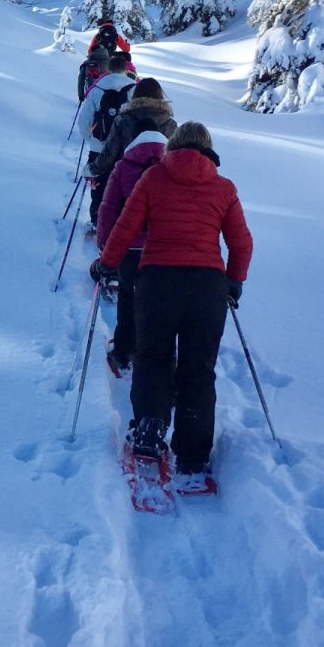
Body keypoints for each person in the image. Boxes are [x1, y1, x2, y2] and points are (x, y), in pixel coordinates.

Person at [94, 121, 253, 478]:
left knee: (153, 357)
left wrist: (107, 262)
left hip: (158, 282)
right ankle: (193, 453)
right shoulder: (224, 188)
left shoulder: (153, 179)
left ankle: (149, 431)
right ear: (209, 151)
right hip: (207, 287)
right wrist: (234, 281)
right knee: (198, 369)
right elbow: (241, 243)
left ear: (173, 146)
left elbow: (126, 226)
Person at [95, 120, 169, 374]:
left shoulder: (123, 166)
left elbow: (108, 209)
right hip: (161, 249)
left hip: (129, 248)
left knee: (128, 297)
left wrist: (105, 248)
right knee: (157, 301)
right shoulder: (171, 167)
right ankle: (153, 352)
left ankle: (124, 351)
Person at [77, 52, 136, 224]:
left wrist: (91, 139)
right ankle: (119, 220)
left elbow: (84, 120)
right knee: (122, 184)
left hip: (99, 146)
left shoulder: (97, 88)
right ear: (126, 69)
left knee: (99, 184)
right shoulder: (133, 88)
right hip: (125, 149)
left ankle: (97, 219)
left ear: (109, 69)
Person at [93, 77, 176, 183]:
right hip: (159, 184)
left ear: (136, 94)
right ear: (160, 95)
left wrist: (93, 169)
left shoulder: (123, 120)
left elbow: (109, 153)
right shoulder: (170, 124)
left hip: (125, 181)